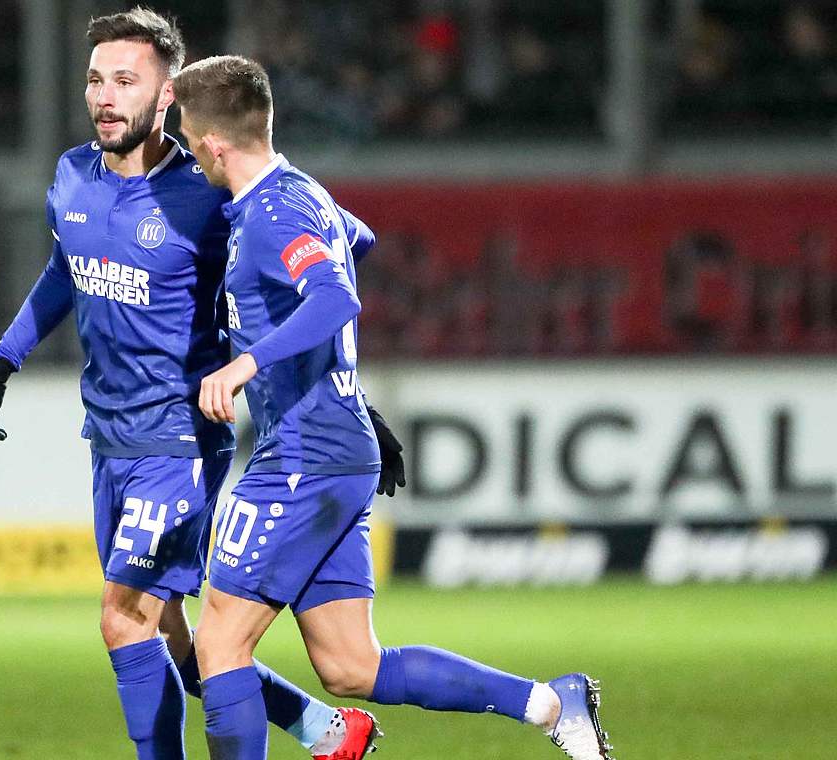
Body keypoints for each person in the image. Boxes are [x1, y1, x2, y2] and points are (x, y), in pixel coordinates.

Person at [0, 9, 404, 760]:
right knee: (173, 634)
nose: (104, 96)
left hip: (182, 436)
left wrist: (352, 396)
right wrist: (3, 361)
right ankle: (324, 731)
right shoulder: (72, 176)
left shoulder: (211, 191)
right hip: (110, 436)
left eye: (125, 80)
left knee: (122, 616)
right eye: (95, 78)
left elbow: (340, 244)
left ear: (167, 95)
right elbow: (67, 268)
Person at [172, 54, 614, 760]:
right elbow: (357, 242)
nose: (192, 155)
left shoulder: (266, 217)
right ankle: (552, 703)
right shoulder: (305, 195)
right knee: (351, 665)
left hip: (302, 455)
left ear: (214, 143)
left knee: (219, 640)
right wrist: (337, 375)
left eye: (190, 141)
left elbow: (335, 296)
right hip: (337, 442)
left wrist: (250, 360)